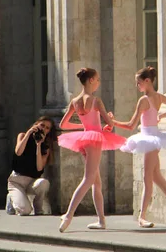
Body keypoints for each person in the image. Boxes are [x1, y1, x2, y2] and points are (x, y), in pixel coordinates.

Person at [112, 66, 166, 228]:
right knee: (157, 178)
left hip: (149, 139)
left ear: (147, 81)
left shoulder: (143, 100)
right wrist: (162, 115)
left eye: (138, 83)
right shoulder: (159, 97)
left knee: (147, 179)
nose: (137, 87)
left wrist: (113, 122)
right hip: (154, 137)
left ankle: (142, 216)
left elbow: (130, 125)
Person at [57, 68, 126, 232]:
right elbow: (110, 123)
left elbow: (63, 125)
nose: (99, 82)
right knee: (89, 179)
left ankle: (101, 220)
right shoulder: (96, 100)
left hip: (85, 139)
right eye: (97, 79)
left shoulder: (75, 101)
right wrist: (110, 120)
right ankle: (68, 215)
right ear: (90, 81)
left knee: (96, 182)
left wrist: (85, 127)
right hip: (93, 140)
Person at [6, 116, 58, 216]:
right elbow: (18, 152)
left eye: (47, 128)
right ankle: (11, 198)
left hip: (32, 181)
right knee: (25, 211)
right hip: (17, 181)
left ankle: (38, 209)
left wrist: (39, 145)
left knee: (44, 183)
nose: (44, 129)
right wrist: (29, 133)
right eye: (42, 125)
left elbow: (39, 167)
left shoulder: (45, 147)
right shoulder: (22, 136)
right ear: (36, 124)